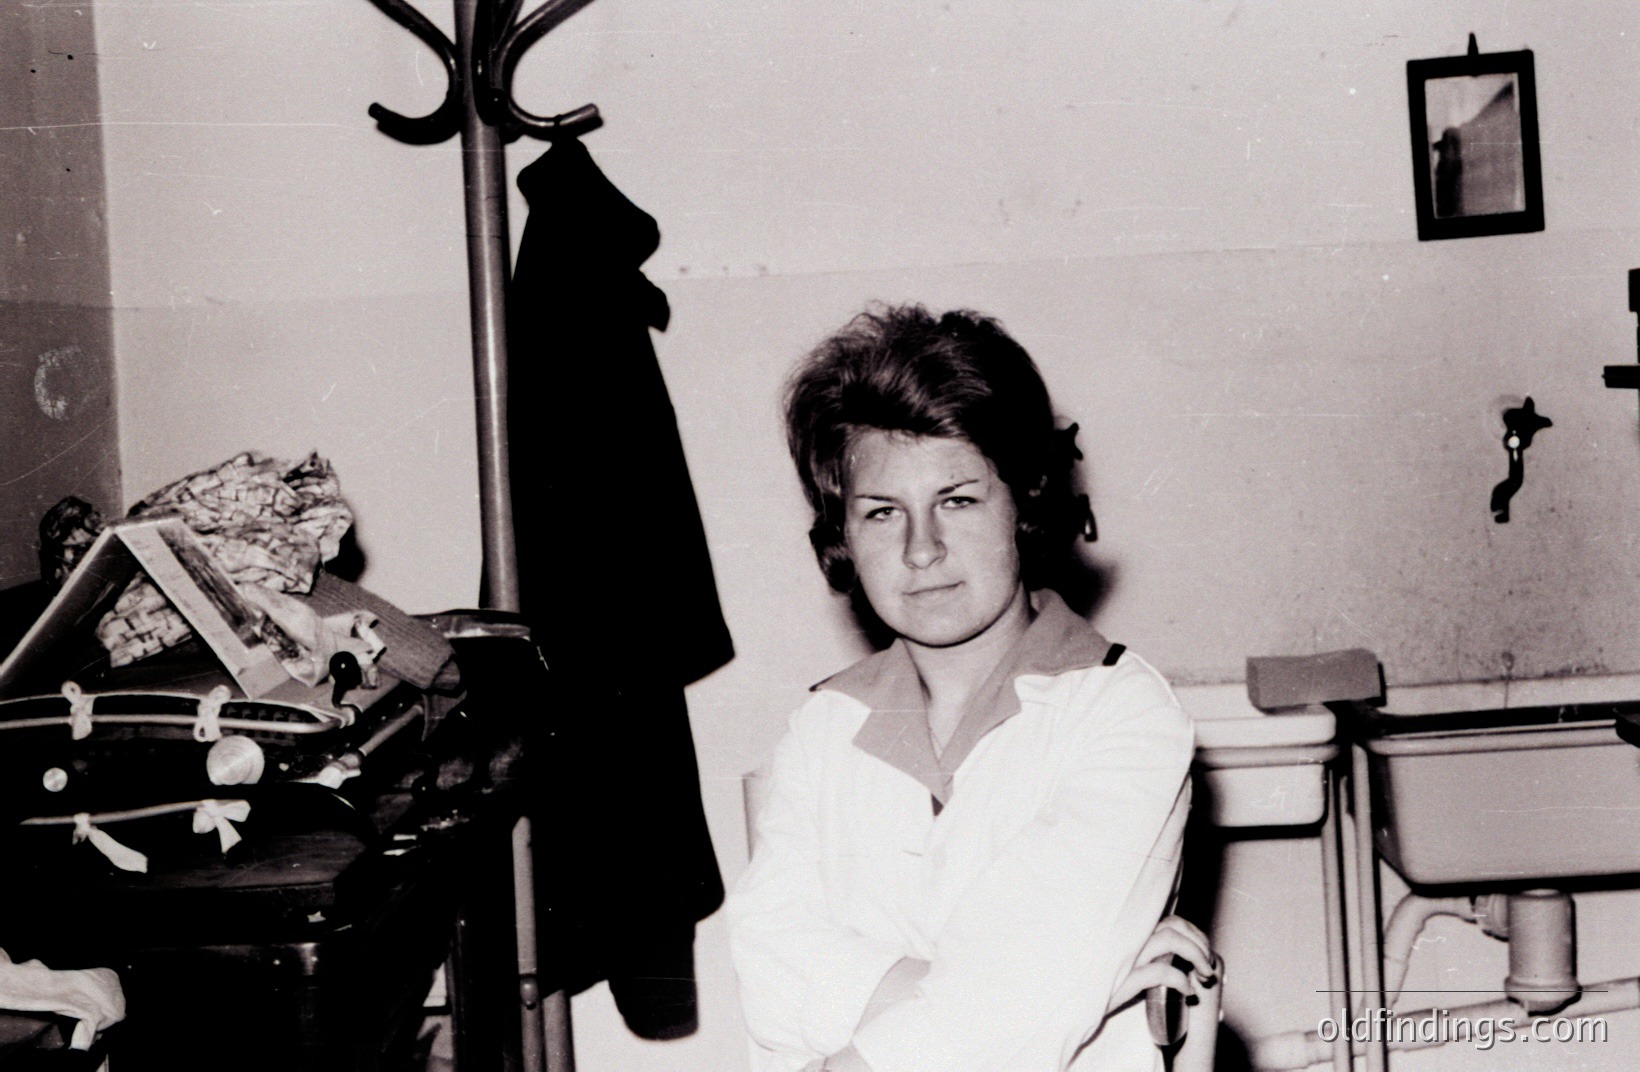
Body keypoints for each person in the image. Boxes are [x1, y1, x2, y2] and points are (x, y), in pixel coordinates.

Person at [728, 305, 1221, 1072]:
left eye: (957, 500)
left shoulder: (1124, 714)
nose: (922, 549)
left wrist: (863, 1055)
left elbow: (1019, 990)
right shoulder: (822, 726)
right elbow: (769, 967)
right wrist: (999, 998)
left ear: (1024, 504)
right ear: (843, 537)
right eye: (883, 512)